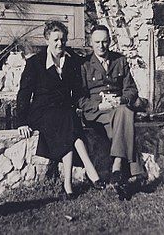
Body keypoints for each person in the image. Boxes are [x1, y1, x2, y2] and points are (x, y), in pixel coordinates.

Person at [16, 20, 105, 200]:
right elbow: (24, 93)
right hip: (41, 111)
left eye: (63, 40)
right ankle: (90, 169)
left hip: (63, 111)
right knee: (67, 118)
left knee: (67, 116)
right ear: (47, 39)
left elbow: (87, 68)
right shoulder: (35, 63)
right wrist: (21, 122)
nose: (60, 44)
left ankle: (68, 184)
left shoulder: (71, 59)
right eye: (56, 39)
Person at [79, 25, 146, 189]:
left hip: (117, 108)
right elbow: (80, 98)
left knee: (124, 111)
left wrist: (121, 100)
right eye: (97, 42)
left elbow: (131, 89)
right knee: (126, 118)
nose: (101, 46)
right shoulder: (84, 64)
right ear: (91, 42)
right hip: (97, 113)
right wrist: (100, 105)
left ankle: (116, 166)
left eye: (104, 41)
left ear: (110, 41)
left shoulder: (120, 60)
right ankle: (133, 170)